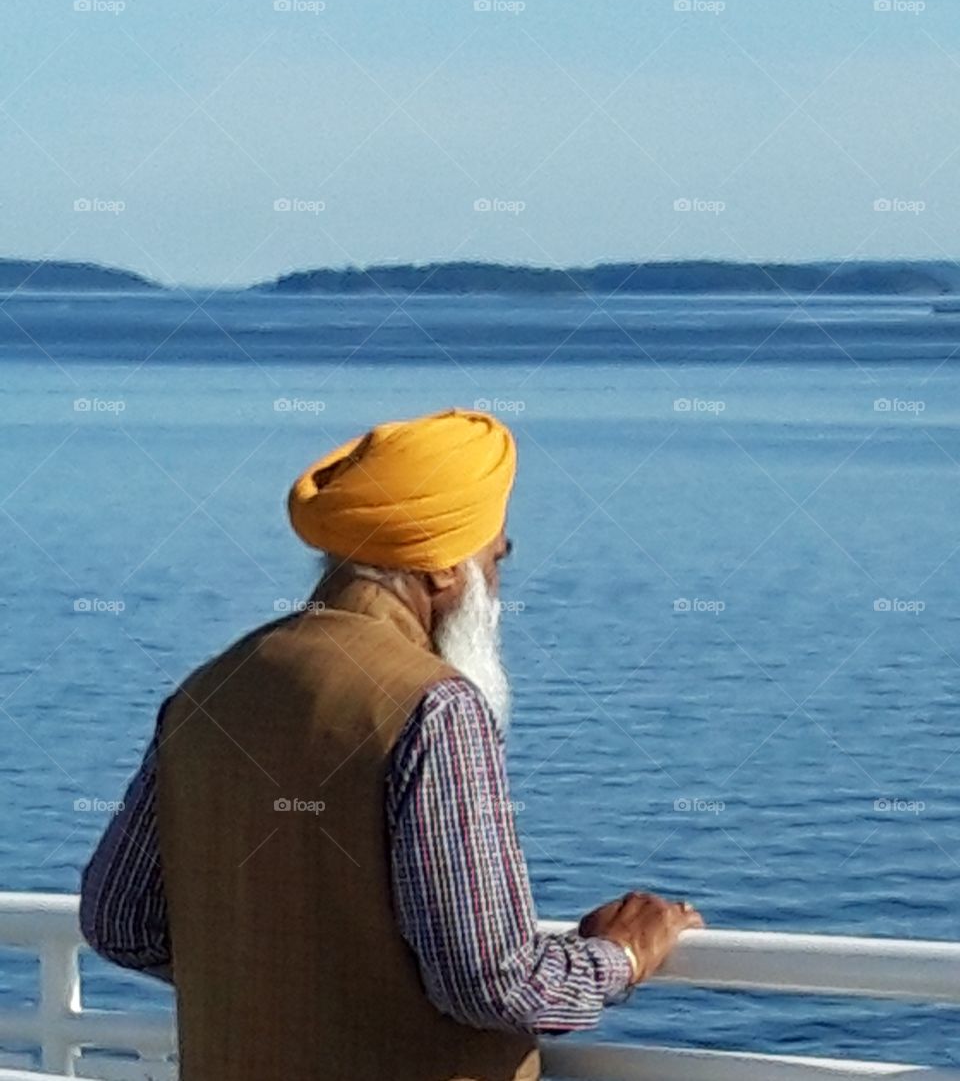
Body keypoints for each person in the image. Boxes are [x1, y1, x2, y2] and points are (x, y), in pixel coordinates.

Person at [80, 407, 703, 1081]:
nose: (494, 588)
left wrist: (280, 983)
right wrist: (621, 955)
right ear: (441, 570)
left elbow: (119, 921)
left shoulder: (209, 690)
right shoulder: (435, 707)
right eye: (494, 560)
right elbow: (491, 983)